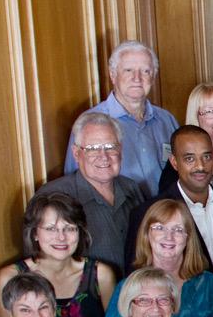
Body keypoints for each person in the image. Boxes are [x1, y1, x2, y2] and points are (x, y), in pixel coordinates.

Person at [0, 190, 116, 317]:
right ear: (35, 233)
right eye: (51, 229)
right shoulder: (10, 277)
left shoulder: (101, 275)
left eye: (70, 228)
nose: (61, 237)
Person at [64, 40, 176, 198]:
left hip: (166, 210)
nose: (137, 78)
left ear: (153, 76)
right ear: (113, 75)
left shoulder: (167, 120)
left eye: (145, 71)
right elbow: (74, 183)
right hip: (119, 212)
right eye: (128, 70)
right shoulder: (89, 123)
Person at [106, 199, 213, 317]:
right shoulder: (127, 287)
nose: (169, 236)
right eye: (159, 228)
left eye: (178, 230)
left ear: (188, 237)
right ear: (147, 234)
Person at [39, 111, 144, 271]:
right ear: (76, 154)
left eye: (110, 147)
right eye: (93, 148)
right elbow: (42, 265)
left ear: (120, 150)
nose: (104, 156)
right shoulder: (52, 196)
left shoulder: (131, 188)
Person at [129, 125, 213, 273]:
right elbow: (135, 276)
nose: (200, 166)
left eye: (206, 157)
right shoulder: (146, 214)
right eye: (189, 159)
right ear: (174, 162)